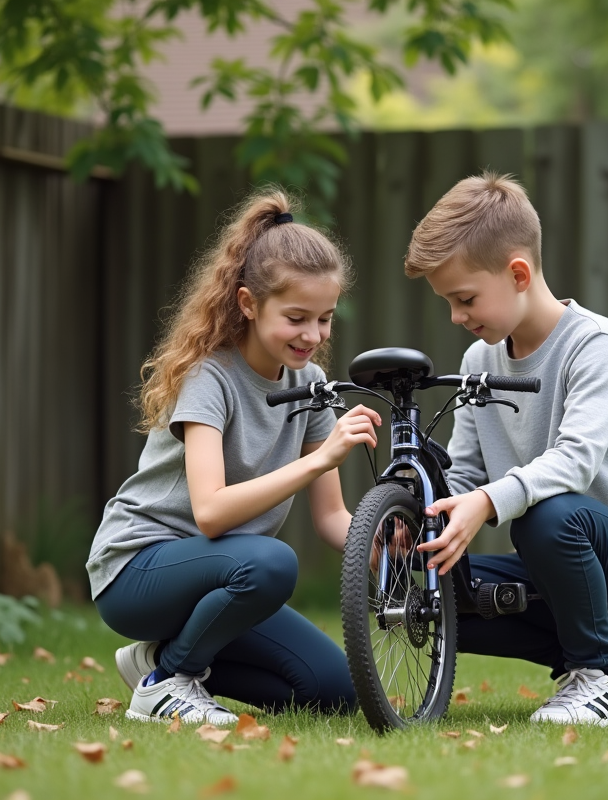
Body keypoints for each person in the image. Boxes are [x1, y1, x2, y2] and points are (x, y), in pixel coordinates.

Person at [403, 172, 608, 726]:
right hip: (561, 560)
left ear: (518, 273)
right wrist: (424, 524)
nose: (456, 318)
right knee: (437, 579)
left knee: (546, 515)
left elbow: (575, 463)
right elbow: (465, 473)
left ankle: (597, 679)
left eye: (464, 299)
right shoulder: (478, 365)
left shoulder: (595, 345)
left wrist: (489, 504)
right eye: (448, 302)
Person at [87, 188, 379, 725]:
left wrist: (387, 549)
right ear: (248, 303)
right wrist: (319, 459)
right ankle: (168, 682)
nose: (312, 335)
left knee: (335, 692)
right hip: (137, 569)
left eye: (325, 318)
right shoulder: (209, 378)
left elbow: (333, 518)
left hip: (219, 577)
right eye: (296, 317)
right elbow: (212, 512)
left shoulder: (309, 385)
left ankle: (159, 660)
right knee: (272, 562)